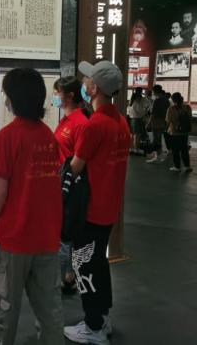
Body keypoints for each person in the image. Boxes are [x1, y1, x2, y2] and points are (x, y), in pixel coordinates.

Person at [0, 68, 64, 345]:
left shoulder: (7, 136)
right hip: (47, 236)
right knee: (49, 309)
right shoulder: (48, 135)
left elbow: (1, 190)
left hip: (14, 239)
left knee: (5, 308)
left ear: (14, 98)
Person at [63, 61, 131, 345]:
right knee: (98, 264)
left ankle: (93, 327)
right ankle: (102, 317)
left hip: (90, 210)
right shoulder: (121, 122)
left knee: (84, 265)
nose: (85, 82)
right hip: (109, 208)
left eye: (88, 79)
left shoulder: (96, 125)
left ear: (95, 88)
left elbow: (76, 167)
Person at [52, 76, 90, 296]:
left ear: (70, 95)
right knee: (62, 234)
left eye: (57, 93)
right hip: (59, 182)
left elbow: (79, 161)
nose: (55, 97)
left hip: (71, 187)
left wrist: (62, 186)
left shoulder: (81, 123)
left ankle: (65, 279)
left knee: (65, 235)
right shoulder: (65, 120)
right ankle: (67, 276)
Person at [166, 92, 193, 173]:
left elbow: (168, 120)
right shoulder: (187, 107)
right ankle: (187, 166)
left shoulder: (171, 109)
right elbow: (190, 118)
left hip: (174, 132)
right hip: (185, 132)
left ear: (173, 100)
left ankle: (177, 167)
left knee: (175, 150)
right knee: (184, 149)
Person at [146, 85, 170, 163]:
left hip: (156, 122)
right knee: (158, 139)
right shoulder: (166, 100)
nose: (153, 93)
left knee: (156, 140)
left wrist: (149, 123)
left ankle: (157, 157)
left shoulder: (157, 101)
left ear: (155, 91)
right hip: (163, 122)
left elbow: (153, 114)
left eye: (153, 91)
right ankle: (158, 155)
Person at [128, 87, 149, 154]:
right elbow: (140, 111)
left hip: (132, 119)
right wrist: (145, 110)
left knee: (132, 135)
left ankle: (131, 148)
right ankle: (136, 149)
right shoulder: (138, 101)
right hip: (137, 119)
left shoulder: (131, 100)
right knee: (137, 135)